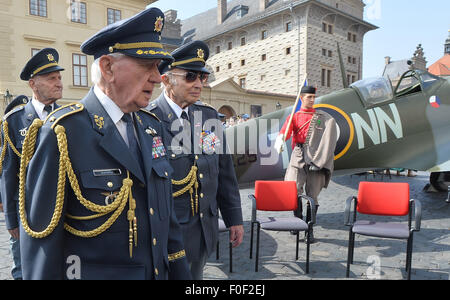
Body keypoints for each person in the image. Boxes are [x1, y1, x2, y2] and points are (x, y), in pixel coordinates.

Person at [19, 7, 190, 280]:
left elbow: (165, 221)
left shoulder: (150, 125)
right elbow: (42, 244)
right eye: (147, 65)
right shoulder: (63, 133)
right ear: (108, 67)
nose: (158, 78)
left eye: (158, 67)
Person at [147, 40, 244, 280]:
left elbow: (224, 173)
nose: (199, 84)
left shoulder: (208, 116)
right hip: (168, 233)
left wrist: (234, 219)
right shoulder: (148, 119)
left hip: (203, 229)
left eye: (202, 77)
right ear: (167, 79)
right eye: (191, 76)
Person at [0, 48, 65, 280]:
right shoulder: (14, 121)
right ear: (33, 84)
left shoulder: (67, 117)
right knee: (23, 270)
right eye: (51, 79)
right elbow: (8, 172)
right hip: (26, 213)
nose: (58, 83)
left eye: (59, 77)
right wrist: (11, 219)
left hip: (61, 210)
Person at [275, 86, 337, 243]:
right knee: (293, 188)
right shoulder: (294, 117)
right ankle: (298, 222)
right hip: (298, 154)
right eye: (309, 96)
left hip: (316, 156)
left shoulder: (321, 117)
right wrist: (280, 140)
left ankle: (309, 229)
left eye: (313, 97)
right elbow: (285, 132)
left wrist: (321, 158)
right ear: (301, 98)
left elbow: (328, 138)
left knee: (313, 195)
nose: (312, 99)